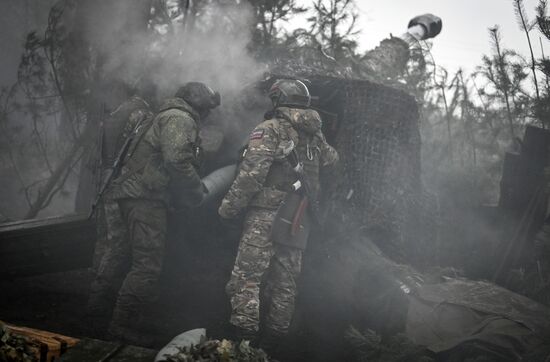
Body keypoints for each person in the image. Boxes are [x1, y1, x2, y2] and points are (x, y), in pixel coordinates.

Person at [89, 82, 221, 343]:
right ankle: (120, 326)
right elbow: (177, 161)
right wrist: (195, 192)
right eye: (207, 109)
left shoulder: (164, 115)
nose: (207, 115)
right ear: (199, 106)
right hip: (145, 199)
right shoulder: (179, 118)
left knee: (123, 255)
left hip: (134, 196)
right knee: (147, 266)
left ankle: (96, 313)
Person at [218, 79, 339, 353]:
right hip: (299, 217)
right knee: (285, 282)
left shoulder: (269, 129)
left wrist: (228, 208)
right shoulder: (315, 135)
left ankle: (243, 345)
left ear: (278, 100)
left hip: (266, 214)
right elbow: (333, 161)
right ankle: (273, 347)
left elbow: (251, 177)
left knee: (246, 277)